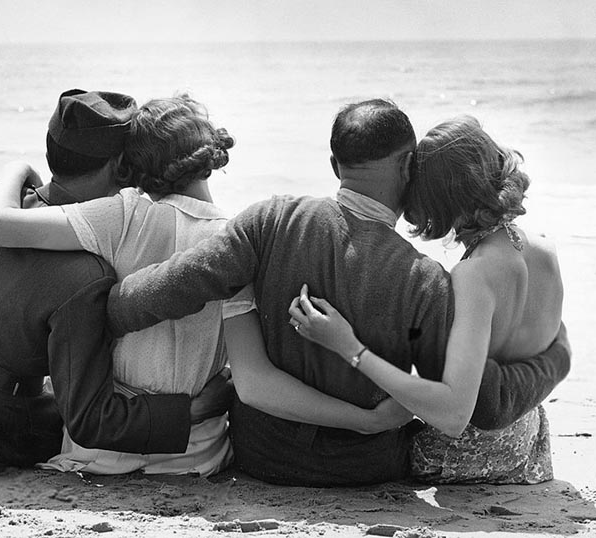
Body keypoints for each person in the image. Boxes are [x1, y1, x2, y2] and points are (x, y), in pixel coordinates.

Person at [99, 99, 571, 487]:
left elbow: (175, 284)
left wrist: (102, 310)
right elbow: (457, 403)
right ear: (409, 168)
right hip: (366, 469)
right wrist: (556, 359)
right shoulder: (427, 279)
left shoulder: (271, 220)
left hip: (264, 459)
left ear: (333, 164)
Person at [0, 89, 229, 479]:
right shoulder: (84, 277)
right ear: (121, 167)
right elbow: (91, 421)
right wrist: (193, 410)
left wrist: (15, 168)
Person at [290, 115, 562, 484]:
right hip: (528, 437)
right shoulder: (543, 248)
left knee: (357, 448)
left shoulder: (474, 274)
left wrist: (349, 347)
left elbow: (453, 417)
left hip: (475, 453)